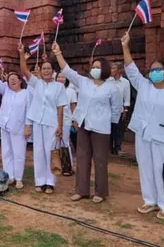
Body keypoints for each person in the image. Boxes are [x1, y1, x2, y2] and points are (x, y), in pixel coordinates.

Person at [121, 32, 164, 219]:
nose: (154, 73)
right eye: (151, 70)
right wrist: (125, 47)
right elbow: (131, 68)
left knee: (163, 168)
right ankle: (149, 200)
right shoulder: (143, 86)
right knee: (145, 167)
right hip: (143, 134)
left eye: (158, 70)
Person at [52, 42, 122, 203]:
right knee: (82, 159)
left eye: (98, 66)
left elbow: (116, 108)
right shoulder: (84, 82)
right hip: (83, 125)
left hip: (101, 128)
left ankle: (100, 192)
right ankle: (81, 190)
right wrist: (58, 53)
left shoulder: (112, 88)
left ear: (104, 69)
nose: (95, 69)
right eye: (94, 66)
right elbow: (67, 70)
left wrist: (108, 122)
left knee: (100, 160)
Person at [19, 44, 68, 194]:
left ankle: (50, 182)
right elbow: (24, 70)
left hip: (52, 123)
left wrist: (60, 126)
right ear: (40, 71)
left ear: (53, 71)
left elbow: (60, 108)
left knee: (50, 152)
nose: (46, 70)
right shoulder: (36, 83)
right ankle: (40, 181)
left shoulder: (59, 87)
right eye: (44, 68)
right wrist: (21, 54)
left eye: (48, 68)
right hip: (38, 122)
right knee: (38, 152)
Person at [0, 60, 30, 189]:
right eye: (10, 79)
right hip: (4, 125)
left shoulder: (26, 94)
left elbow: (29, 111)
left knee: (18, 153)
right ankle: (9, 176)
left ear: (20, 80)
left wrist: (28, 126)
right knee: (6, 152)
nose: (12, 81)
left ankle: (18, 178)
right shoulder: (6, 90)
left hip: (18, 128)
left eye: (14, 79)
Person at [56, 73, 77, 176]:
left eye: (63, 77)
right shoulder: (53, 90)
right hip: (53, 121)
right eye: (59, 77)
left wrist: (75, 120)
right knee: (55, 144)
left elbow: (73, 107)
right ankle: (56, 166)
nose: (60, 79)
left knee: (65, 143)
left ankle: (68, 167)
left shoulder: (71, 92)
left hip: (66, 121)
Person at [108, 62, 131, 155]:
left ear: (119, 70)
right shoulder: (108, 81)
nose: (111, 70)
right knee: (109, 130)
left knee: (119, 130)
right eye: (111, 68)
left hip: (119, 110)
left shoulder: (125, 82)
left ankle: (117, 148)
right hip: (108, 109)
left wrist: (125, 110)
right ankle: (109, 149)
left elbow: (127, 97)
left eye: (113, 68)